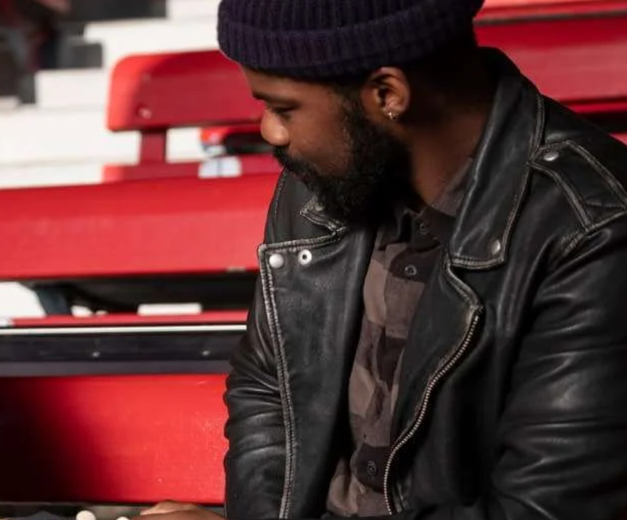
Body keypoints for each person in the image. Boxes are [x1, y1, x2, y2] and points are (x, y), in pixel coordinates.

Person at [139, 0, 627, 519]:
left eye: (284, 108)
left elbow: (544, 512)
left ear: (387, 94)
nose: (271, 133)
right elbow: (271, 386)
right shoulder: (324, 185)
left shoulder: (593, 230)